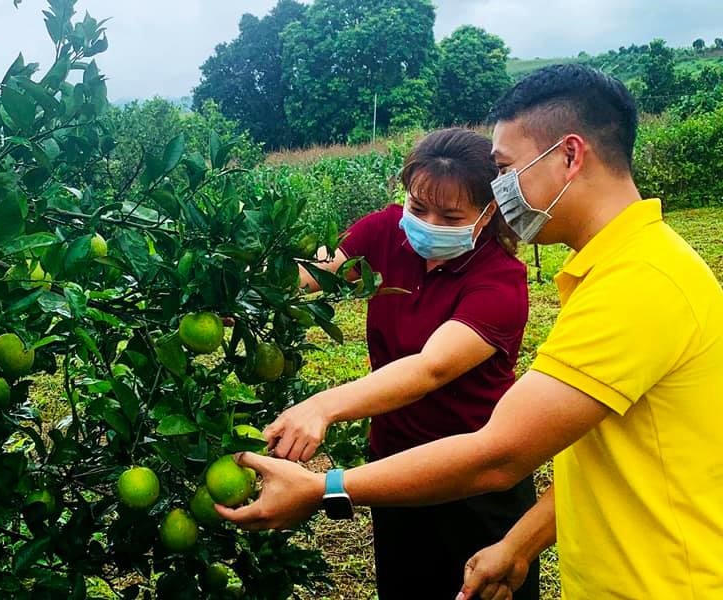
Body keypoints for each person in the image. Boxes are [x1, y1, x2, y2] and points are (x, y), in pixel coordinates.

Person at [216, 64, 723, 600]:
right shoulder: (617, 269)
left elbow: (498, 454)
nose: (502, 189)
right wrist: (521, 544)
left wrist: (324, 488)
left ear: (570, 157)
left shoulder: (638, 284)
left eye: (505, 169)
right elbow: (601, 457)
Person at [264, 128, 538, 598]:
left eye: (450, 216)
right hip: (392, 467)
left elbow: (430, 367)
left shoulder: (500, 281)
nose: (427, 222)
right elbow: (315, 273)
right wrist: (229, 289)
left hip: (472, 476)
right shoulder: (384, 232)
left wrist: (323, 406)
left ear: (489, 213)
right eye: (418, 208)